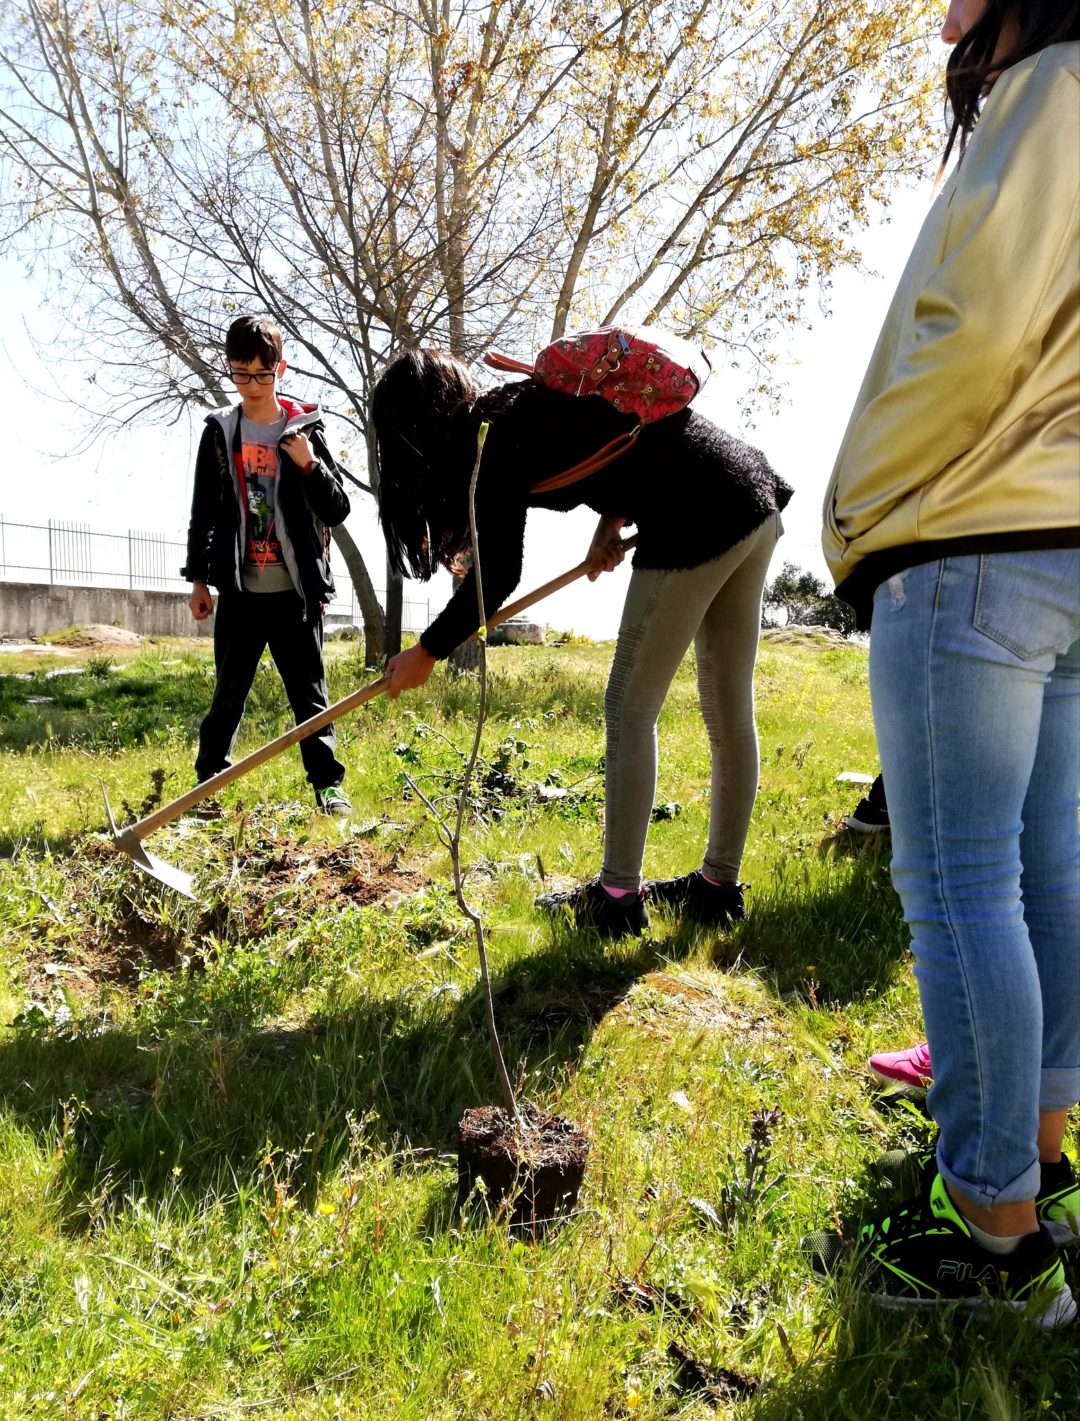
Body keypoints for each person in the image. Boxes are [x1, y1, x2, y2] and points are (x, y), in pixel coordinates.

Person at [818, 0, 1079, 1325]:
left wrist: (861, 505)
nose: (944, 12)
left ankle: (991, 1244)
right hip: (1070, 544)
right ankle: (1037, 1169)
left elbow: (970, 334)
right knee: (1050, 874)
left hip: (971, 537)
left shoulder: (1051, 92)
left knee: (965, 884)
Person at [370, 346, 792, 938]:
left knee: (629, 707)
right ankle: (717, 889)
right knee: (727, 711)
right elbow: (629, 435)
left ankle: (617, 900)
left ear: (412, 433)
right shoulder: (517, 408)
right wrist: (608, 525)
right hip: (750, 495)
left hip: (699, 511)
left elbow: (499, 575)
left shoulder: (485, 440)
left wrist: (427, 651)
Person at [182, 315, 353, 815]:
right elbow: (203, 512)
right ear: (230, 371)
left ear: (280, 368)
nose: (252, 386)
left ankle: (328, 788)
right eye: (241, 374)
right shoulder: (220, 433)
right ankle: (207, 786)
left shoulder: (306, 430)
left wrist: (308, 463)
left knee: (310, 696)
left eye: (262, 374)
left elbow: (338, 509)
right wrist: (198, 580)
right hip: (240, 591)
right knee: (227, 695)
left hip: (296, 594)